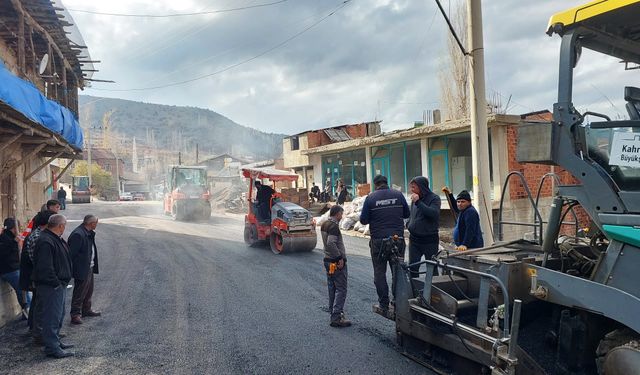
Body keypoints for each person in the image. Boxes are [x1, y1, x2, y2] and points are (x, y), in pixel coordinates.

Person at [360, 175, 410, 314]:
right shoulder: (398, 195)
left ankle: (384, 303)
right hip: (397, 239)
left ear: (375, 184)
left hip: (378, 241)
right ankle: (397, 301)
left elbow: (363, 220)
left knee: (379, 273)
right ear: (387, 183)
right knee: (398, 272)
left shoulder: (370, 198)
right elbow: (407, 213)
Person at [32, 214, 74, 358]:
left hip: (58, 285)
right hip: (51, 286)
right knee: (51, 317)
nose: (64, 228)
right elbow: (45, 267)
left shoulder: (52, 238)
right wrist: (56, 283)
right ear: (60, 226)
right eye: (64, 226)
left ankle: (55, 342)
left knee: (58, 315)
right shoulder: (46, 240)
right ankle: (52, 348)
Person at [21, 210, 54, 334]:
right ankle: (39, 332)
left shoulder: (42, 235)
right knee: (41, 305)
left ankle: (39, 329)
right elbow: (40, 261)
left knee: (38, 303)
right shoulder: (38, 237)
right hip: (41, 277)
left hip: (40, 276)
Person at [321, 205, 351, 328]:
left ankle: (333, 312)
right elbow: (331, 243)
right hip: (335, 262)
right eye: (341, 214)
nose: (342, 216)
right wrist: (339, 258)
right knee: (341, 289)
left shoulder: (324, 224)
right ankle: (337, 317)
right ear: (337, 213)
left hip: (328, 261)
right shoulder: (333, 227)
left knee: (332, 288)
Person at [69, 215, 101, 325]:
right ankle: (75, 315)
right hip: (82, 268)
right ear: (91, 223)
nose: (97, 225)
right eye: (96, 223)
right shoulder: (78, 234)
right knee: (80, 292)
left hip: (89, 267)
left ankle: (86, 310)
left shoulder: (87, 232)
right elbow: (71, 254)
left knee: (88, 290)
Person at [407, 177, 441, 279]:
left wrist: (418, 202)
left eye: (414, 187)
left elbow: (433, 213)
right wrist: (409, 224)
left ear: (421, 187)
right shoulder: (415, 199)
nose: (411, 190)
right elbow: (413, 214)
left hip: (429, 240)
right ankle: (415, 291)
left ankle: (433, 292)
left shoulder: (434, 198)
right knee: (412, 267)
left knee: (431, 268)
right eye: (411, 187)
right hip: (414, 240)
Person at [0, 218, 30, 318]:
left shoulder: (10, 237)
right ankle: (28, 311)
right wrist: (14, 242)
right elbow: (3, 253)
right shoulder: (4, 238)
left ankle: (28, 311)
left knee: (25, 290)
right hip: (10, 269)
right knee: (23, 290)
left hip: (15, 267)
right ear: (13, 228)